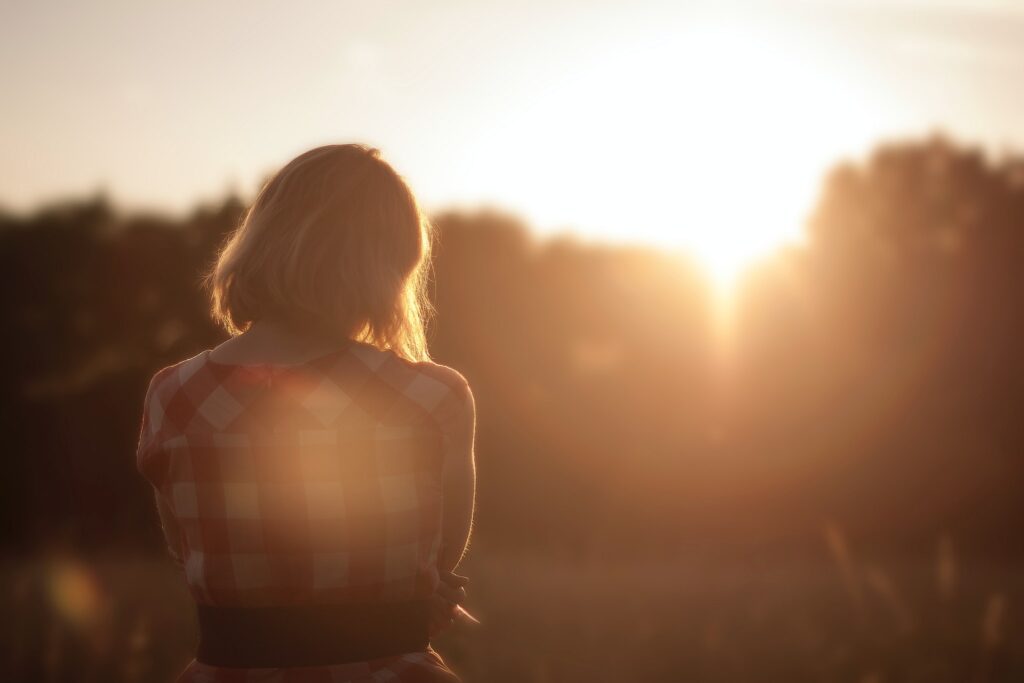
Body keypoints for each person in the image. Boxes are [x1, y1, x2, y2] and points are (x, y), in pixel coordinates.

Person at [135, 144, 477, 682]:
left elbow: (189, 553)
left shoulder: (172, 395)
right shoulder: (432, 398)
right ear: (387, 266)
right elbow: (439, 559)